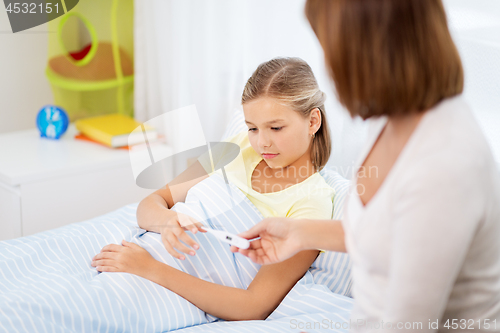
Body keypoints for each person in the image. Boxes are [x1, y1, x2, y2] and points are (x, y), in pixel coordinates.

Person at [231, 0, 500, 331]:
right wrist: (298, 233)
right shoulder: (392, 120)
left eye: (331, 49)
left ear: (369, 53)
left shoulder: (445, 166)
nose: (328, 66)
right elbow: (388, 232)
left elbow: (406, 324)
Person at [91, 57, 336, 321]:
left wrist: (149, 268)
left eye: (276, 128)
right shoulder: (237, 147)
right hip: (135, 253)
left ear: (312, 122)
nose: (262, 142)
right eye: (252, 128)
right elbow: (153, 201)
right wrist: (166, 222)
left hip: (158, 281)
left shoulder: (313, 203)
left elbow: (253, 305)